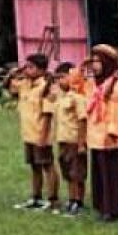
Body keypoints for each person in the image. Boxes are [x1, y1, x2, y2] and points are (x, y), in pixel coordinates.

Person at [85, 44, 118, 221]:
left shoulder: (117, 84)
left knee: (113, 172)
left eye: (97, 61)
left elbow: (116, 108)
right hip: (96, 134)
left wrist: (115, 132)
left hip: (110, 134)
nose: (94, 65)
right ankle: (102, 205)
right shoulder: (94, 83)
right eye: (93, 60)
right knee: (100, 172)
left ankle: (114, 208)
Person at [6, 53, 56, 210]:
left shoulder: (46, 86)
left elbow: (48, 113)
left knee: (47, 166)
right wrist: (13, 73)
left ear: (41, 70)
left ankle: (52, 199)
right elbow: (7, 86)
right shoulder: (25, 84)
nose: (27, 70)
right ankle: (36, 197)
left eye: (31, 67)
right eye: (26, 66)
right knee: (34, 166)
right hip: (28, 134)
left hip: (40, 133)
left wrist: (43, 135)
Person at [52, 62, 88, 216]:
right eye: (58, 78)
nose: (60, 81)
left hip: (74, 140)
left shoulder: (78, 98)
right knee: (67, 171)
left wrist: (81, 143)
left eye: (63, 77)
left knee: (76, 173)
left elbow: (82, 120)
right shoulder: (60, 98)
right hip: (63, 139)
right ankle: (72, 198)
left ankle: (77, 201)